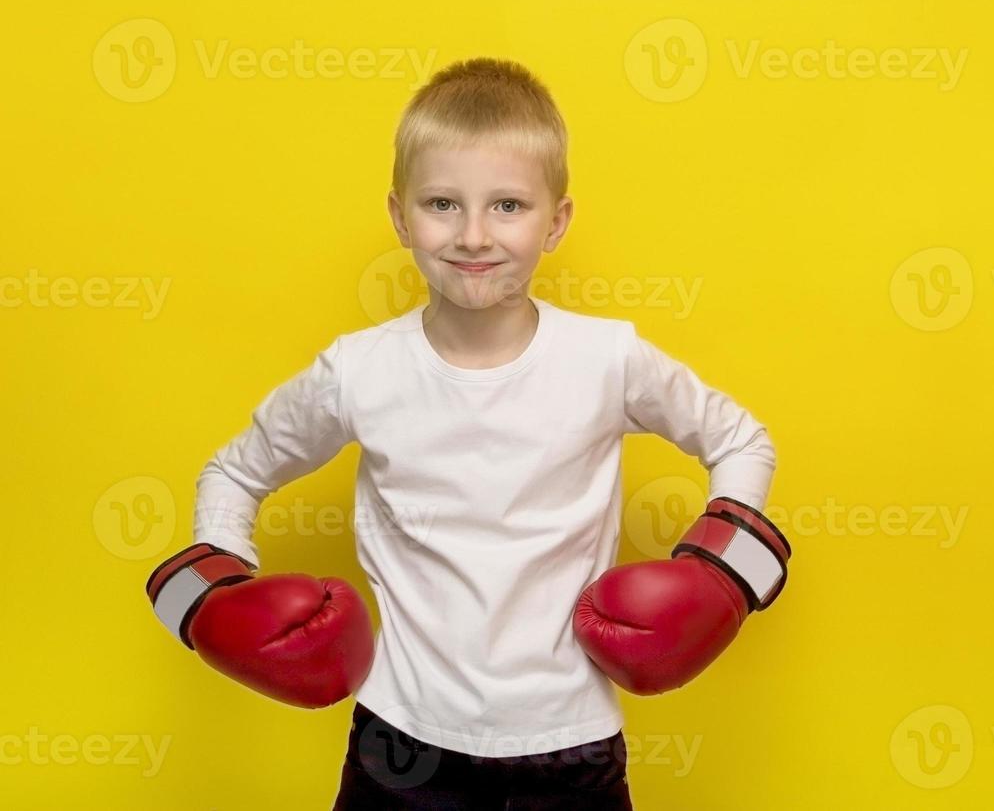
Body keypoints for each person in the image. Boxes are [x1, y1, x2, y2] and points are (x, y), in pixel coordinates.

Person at [143, 58, 792, 810]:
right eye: (443, 204)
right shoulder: (359, 371)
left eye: (509, 205)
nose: (474, 235)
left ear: (556, 221)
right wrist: (212, 592)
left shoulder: (605, 359)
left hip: (569, 744)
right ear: (398, 215)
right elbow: (234, 471)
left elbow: (744, 441)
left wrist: (724, 576)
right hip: (401, 741)